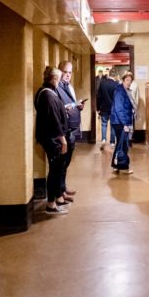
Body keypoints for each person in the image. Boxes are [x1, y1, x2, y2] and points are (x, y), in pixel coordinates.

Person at [34, 66, 71, 214]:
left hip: (50, 137)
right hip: (53, 139)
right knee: (55, 170)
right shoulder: (48, 95)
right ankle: (51, 204)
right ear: (54, 78)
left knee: (56, 169)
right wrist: (63, 140)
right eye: (59, 78)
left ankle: (56, 199)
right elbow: (54, 120)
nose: (60, 81)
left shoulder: (44, 92)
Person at [56, 60, 84, 202]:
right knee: (62, 163)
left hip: (71, 130)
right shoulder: (57, 88)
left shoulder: (68, 86)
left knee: (66, 163)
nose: (67, 75)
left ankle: (63, 188)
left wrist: (77, 106)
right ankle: (60, 192)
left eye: (70, 72)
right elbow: (60, 107)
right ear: (59, 71)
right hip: (64, 132)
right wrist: (72, 105)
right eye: (65, 72)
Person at [110, 71, 135, 175]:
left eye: (130, 80)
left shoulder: (125, 90)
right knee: (123, 144)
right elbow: (119, 108)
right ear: (123, 80)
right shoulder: (120, 91)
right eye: (127, 80)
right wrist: (125, 124)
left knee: (120, 144)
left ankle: (116, 165)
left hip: (119, 121)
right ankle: (124, 166)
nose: (129, 82)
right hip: (120, 122)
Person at [95, 70, 118, 150]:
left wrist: (98, 108)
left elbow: (98, 96)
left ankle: (103, 140)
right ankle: (112, 142)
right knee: (113, 125)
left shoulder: (103, 83)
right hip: (113, 109)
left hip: (104, 107)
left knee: (104, 124)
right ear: (115, 76)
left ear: (109, 75)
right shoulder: (116, 84)